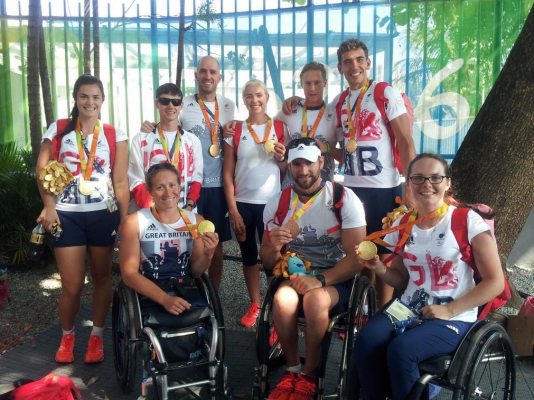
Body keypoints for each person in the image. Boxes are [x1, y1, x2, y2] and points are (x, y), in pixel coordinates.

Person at [352, 153, 504, 400]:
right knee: (366, 340)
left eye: (435, 177)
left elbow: (495, 282)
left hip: (455, 315)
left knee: (402, 351)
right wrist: (378, 267)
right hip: (408, 308)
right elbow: (401, 280)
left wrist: (449, 310)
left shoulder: (466, 220)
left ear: (447, 183)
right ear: (409, 183)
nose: (426, 184)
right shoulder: (405, 223)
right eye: (419, 178)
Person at [283, 39, 416, 307]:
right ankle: (362, 309)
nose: (353, 66)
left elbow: (405, 139)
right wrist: (297, 101)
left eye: (358, 60)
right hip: (352, 188)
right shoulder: (340, 101)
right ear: (340, 68)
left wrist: (410, 187)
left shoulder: (384, 92)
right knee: (359, 251)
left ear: (367, 63)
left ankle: (383, 311)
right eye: (347, 62)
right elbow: (342, 151)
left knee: (385, 253)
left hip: (383, 187)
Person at [260, 138, 366, 400]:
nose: (303, 170)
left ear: (321, 162)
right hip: (295, 273)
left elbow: (357, 258)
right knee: (282, 299)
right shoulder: (278, 202)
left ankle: (310, 373)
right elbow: (266, 261)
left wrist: (320, 279)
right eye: (297, 164)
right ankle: (292, 369)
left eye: (309, 163)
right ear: (289, 166)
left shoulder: (343, 198)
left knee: (316, 300)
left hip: (336, 274)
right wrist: (274, 247)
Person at [36, 74, 129, 363]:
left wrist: (124, 223)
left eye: (96, 97)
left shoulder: (115, 134)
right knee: (72, 285)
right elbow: (42, 169)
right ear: (76, 99)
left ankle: (97, 337)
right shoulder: (60, 129)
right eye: (84, 96)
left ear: (103, 100)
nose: (90, 102)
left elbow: (121, 182)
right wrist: (49, 207)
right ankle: (67, 336)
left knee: (102, 277)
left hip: (103, 216)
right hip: (67, 217)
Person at [140, 56, 236, 291]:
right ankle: (182, 282)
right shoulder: (185, 104)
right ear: (196, 75)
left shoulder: (228, 105)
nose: (208, 76)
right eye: (203, 71)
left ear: (219, 77)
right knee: (184, 237)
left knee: (214, 241)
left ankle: (211, 292)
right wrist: (149, 127)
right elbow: (168, 126)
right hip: (187, 185)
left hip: (216, 186)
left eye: (213, 72)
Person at [222, 79, 287, 328]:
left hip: (271, 205)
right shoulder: (236, 131)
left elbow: (285, 169)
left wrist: (282, 158)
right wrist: (233, 210)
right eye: (248, 96)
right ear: (244, 100)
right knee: (248, 256)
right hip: (243, 204)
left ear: (267, 97)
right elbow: (228, 174)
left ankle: (274, 306)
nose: (254, 100)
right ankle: (255, 305)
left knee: (273, 257)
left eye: (258, 95)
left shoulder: (279, 128)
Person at [119, 163, 219, 318]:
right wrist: (165, 299)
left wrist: (208, 254)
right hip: (149, 289)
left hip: (184, 287)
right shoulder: (135, 222)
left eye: (172, 185)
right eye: (160, 187)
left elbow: (196, 272)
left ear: (180, 187)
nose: (168, 192)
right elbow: (129, 274)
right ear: (150, 191)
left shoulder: (196, 221)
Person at [225, 62, 341, 187]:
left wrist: (327, 148)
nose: (312, 88)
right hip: (292, 187)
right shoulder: (290, 110)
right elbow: (262, 122)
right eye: (307, 83)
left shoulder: (335, 113)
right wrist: (239, 124)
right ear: (301, 84)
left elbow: (346, 157)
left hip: (323, 187)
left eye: (317, 83)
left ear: (325, 82)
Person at [129, 83, 203, 213]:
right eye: (164, 101)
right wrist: (154, 210)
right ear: (156, 103)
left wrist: (189, 206)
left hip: (185, 211)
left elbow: (197, 178)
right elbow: (136, 180)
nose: (170, 106)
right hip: (151, 213)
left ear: (181, 105)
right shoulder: (141, 139)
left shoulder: (193, 141)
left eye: (175, 102)